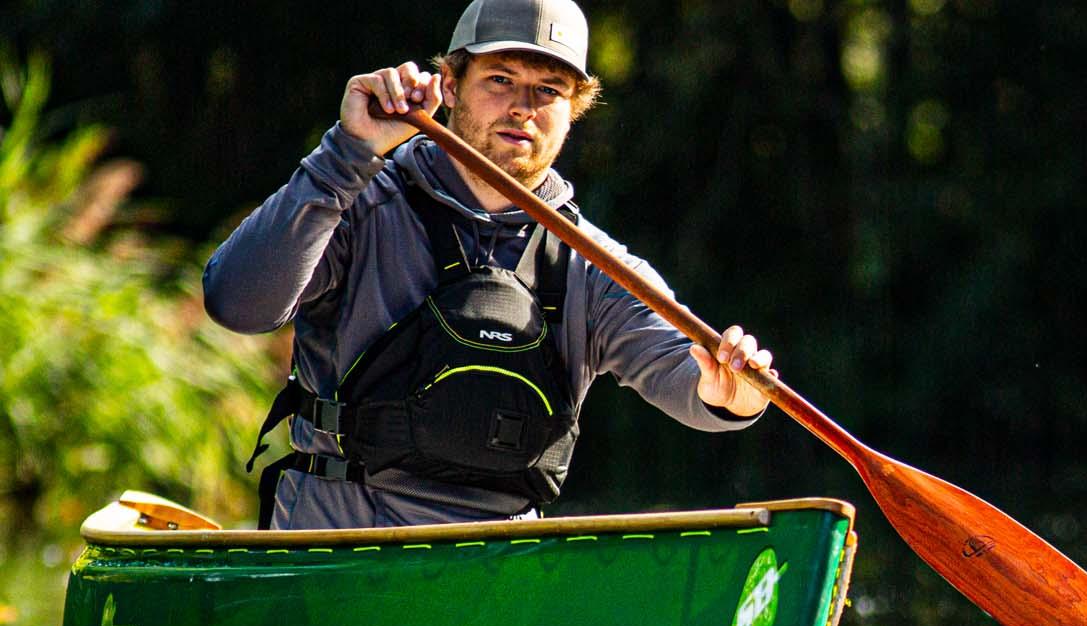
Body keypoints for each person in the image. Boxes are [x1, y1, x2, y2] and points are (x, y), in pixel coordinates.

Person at [205, 0, 774, 529]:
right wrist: (346, 152)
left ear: (572, 113)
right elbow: (237, 303)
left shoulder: (593, 264)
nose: (522, 108)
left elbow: (683, 371)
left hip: (496, 572)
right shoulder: (356, 202)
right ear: (449, 85)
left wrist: (729, 397)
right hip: (336, 547)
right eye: (500, 80)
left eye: (548, 90)